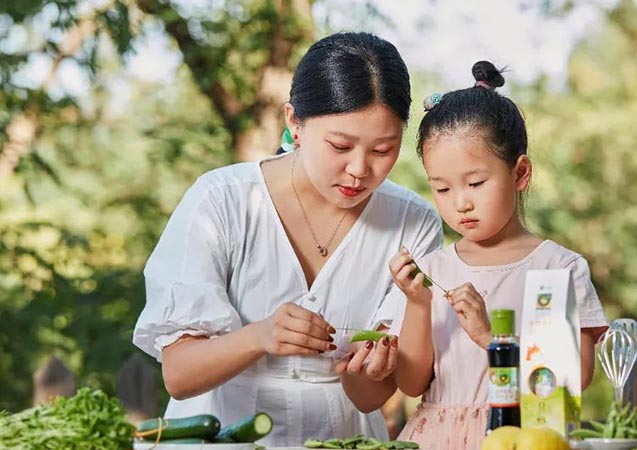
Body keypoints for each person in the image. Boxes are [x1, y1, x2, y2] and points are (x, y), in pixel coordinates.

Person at [132, 32, 443, 446]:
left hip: (339, 438)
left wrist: (371, 373)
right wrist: (259, 336)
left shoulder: (412, 222)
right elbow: (179, 375)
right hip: (216, 435)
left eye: (383, 150)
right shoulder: (222, 200)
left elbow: (371, 399)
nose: (358, 169)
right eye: (340, 145)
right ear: (294, 122)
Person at [387, 61, 609, 450]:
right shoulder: (436, 268)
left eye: (476, 183)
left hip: (526, 438)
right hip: (435, 438)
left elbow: (576, 376)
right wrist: (418, 305)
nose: (460, 203)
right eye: (441, 189)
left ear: (520, 173)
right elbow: (410, 384)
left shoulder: (559, 268)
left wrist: (492, 339)